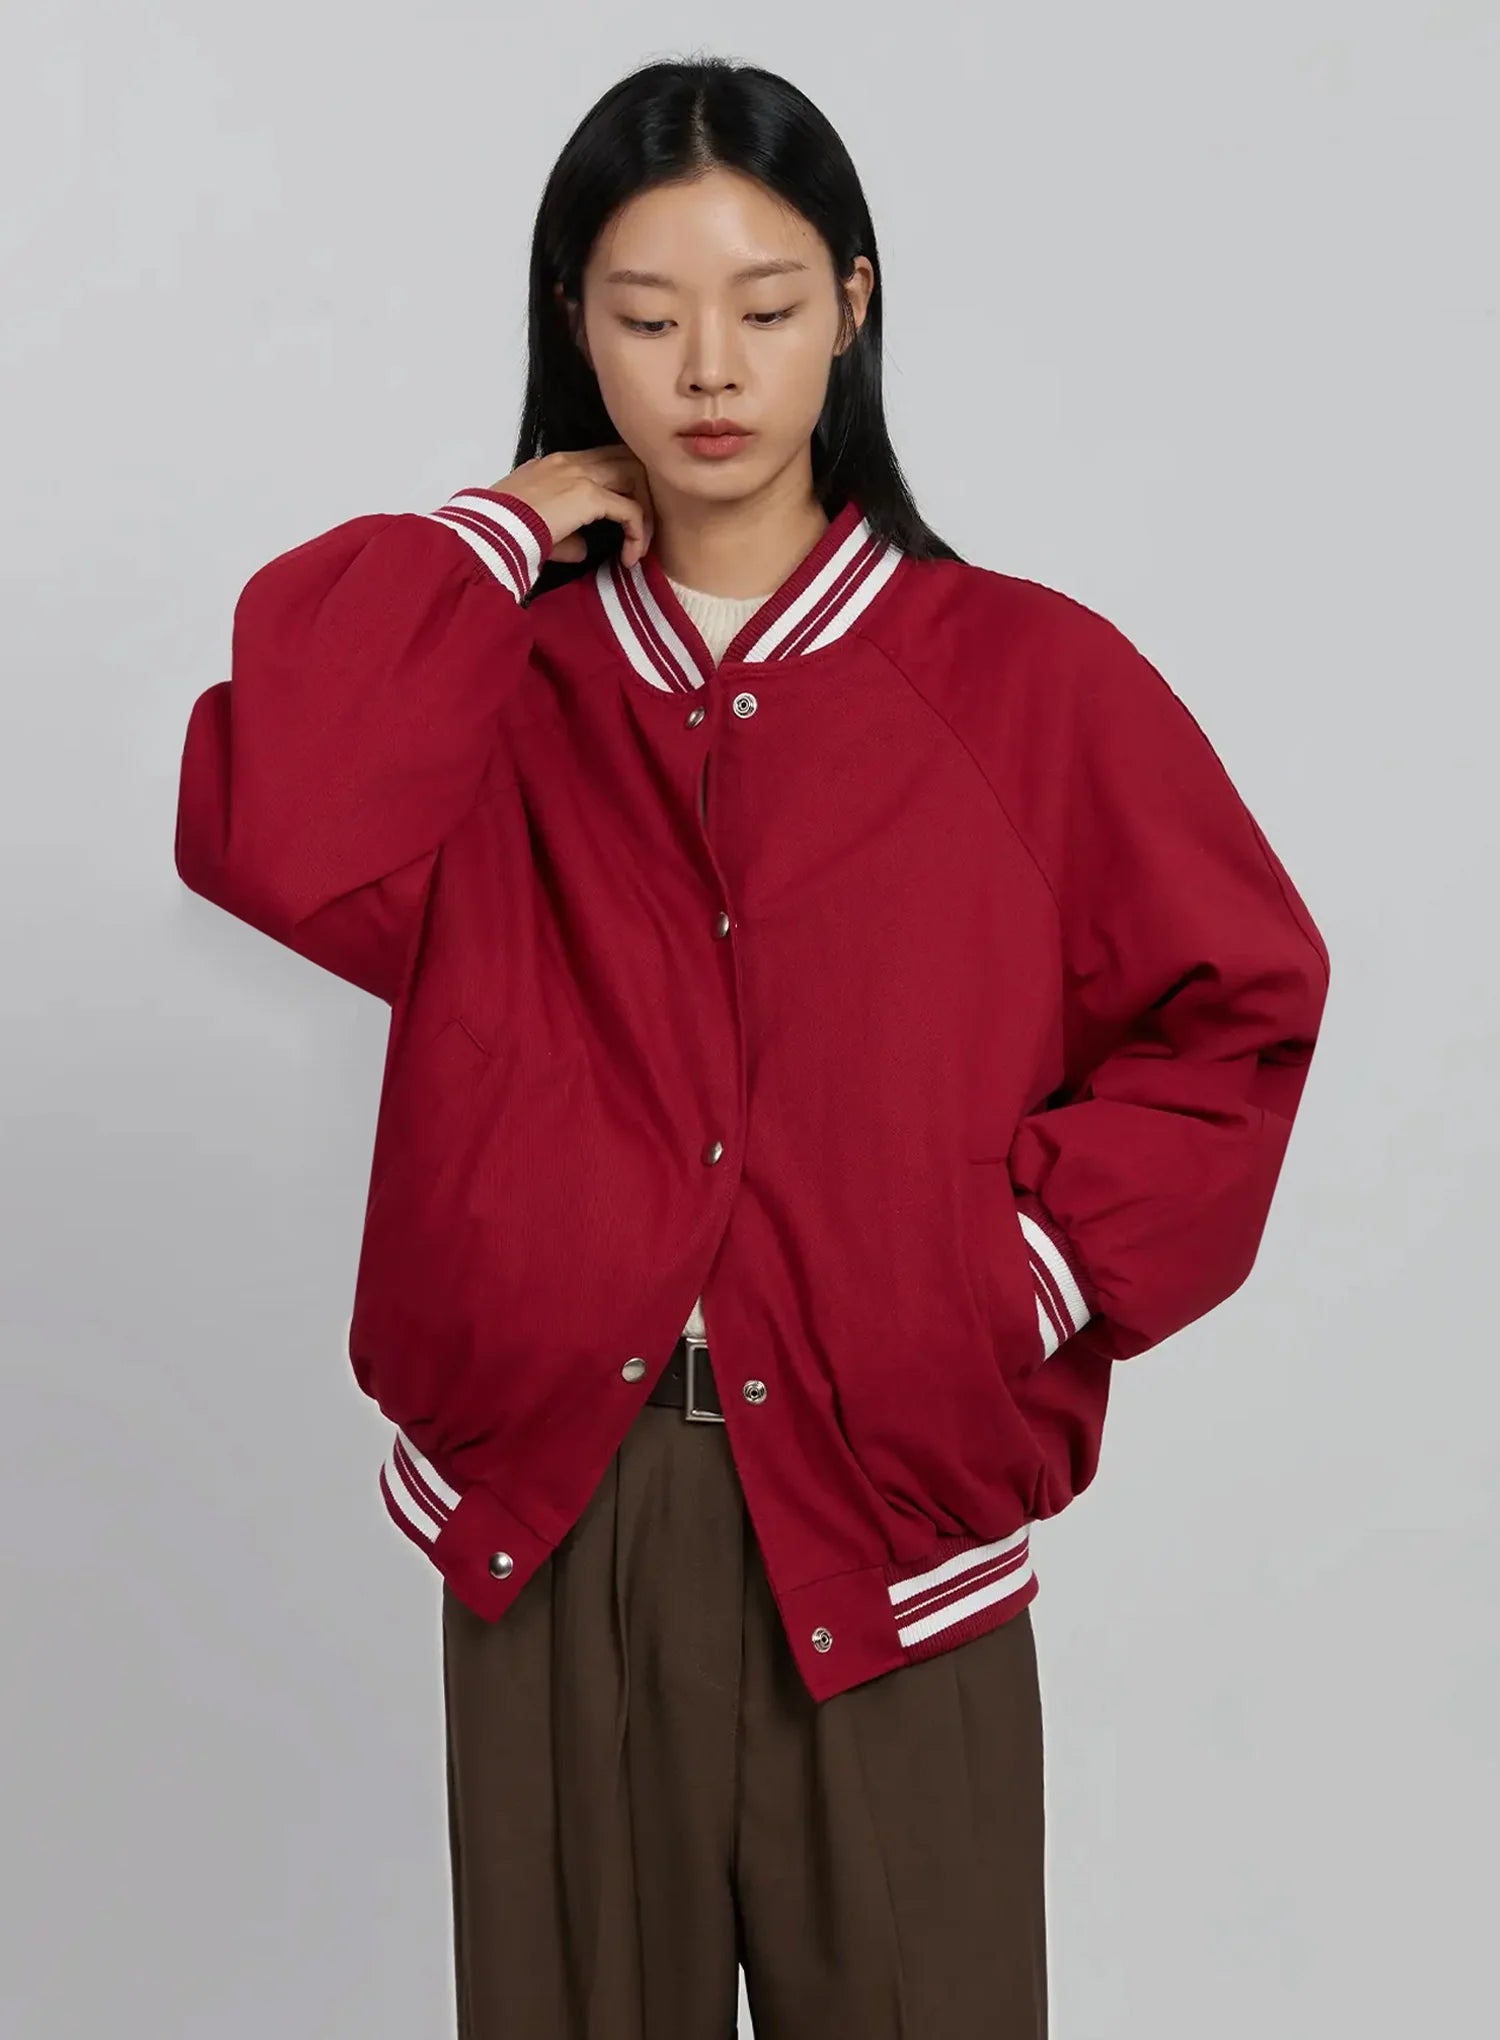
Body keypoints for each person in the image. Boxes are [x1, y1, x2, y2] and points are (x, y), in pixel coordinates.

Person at [173, 52, 1331, 2040]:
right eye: (646, 317)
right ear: (574, 328)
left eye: (768, 306)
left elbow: (1238, 1013)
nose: (710, 367)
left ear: (853, 308)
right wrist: (492, 531)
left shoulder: (1028, 680)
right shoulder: (494, 689)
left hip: (890, 1519)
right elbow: (277, 823)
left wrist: (1014, 1277)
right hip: (561, 1516)